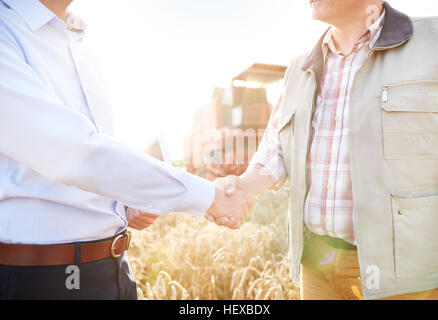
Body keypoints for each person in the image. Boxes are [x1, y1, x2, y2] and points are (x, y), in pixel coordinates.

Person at [0, 0, 251, 300]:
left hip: (114, 269)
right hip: (42, 279)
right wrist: (210, 197)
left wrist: (124, 203)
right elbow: (73, 151)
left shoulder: (80, 44)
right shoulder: (6, 31)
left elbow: (89, 154)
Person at [212, 0, 438, 300]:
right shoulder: (299, 68)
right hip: (318, 269)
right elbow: (277, 151)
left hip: (409, 278)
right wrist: (242, 186)